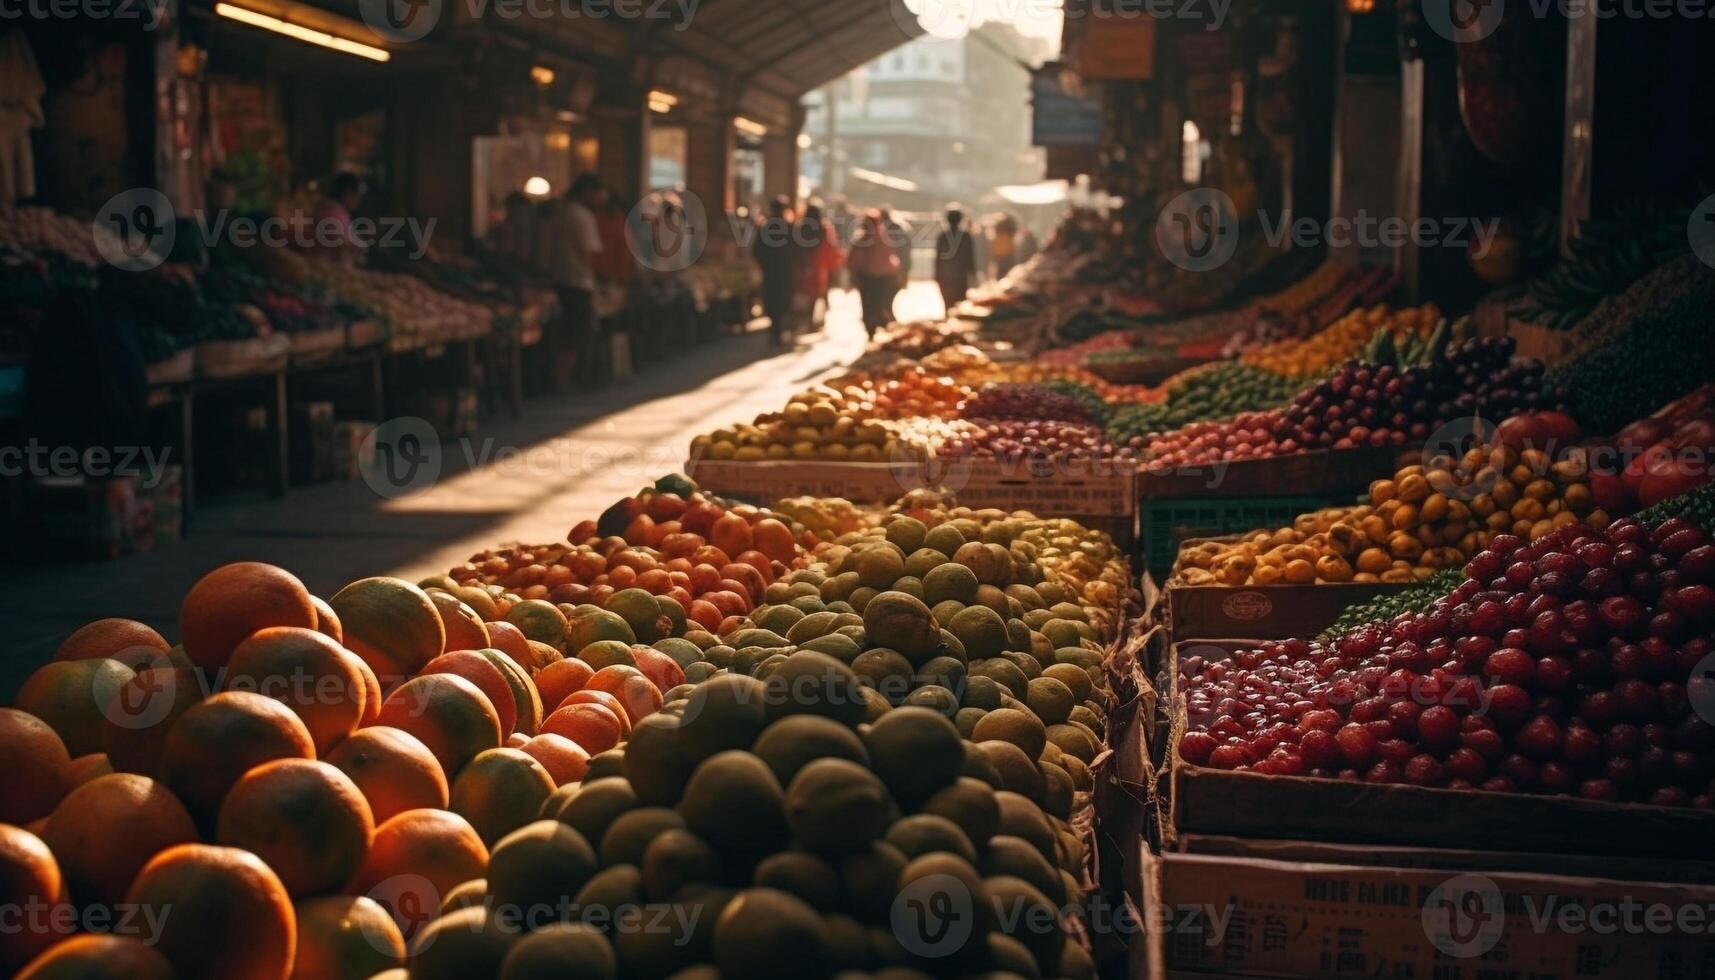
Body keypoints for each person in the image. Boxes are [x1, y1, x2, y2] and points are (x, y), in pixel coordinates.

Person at [545, 175, 606, 387]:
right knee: (576, 333)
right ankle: (564, 378)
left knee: (568, 331)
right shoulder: (582, 217)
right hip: (578, 281)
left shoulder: (561, 212)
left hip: (560, 278)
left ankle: (561, 377)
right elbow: (589, 255)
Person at [752, 196, 798, 346]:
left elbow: (756, 251)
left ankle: (776, 330)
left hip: (771, 271)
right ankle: (784, 329)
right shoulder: (790, 228)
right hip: (787, 271)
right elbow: (799, 251)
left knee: (773, 301)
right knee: (785, 300)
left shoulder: (765, 228)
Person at [848, 210, 901, 337]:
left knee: (870, 307)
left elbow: (854, 260)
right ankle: (883, 331)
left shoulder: (863, 240)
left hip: (868, 279)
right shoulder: (883, 238)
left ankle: (874, 332)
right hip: (883, 278)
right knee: (880, 306)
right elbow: (892, 259)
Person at [794, 202, 844, 329]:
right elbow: (831, 249)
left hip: (802, 266)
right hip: (819, 267)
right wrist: (834, 266)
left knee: (804, 293)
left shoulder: (799, 228)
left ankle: (805, 318)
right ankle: (813, 319)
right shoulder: (825, 228)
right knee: (817, 295)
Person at [308, 172, 367, 265]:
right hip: (328, 269)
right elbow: (342, 242)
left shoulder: (336, 211)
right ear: (347, 193)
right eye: (357, 196)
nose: (358, 201)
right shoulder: (330, 212)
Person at [933, 206, 978, 315]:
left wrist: (936, 275)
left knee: (948, 306)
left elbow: (937, 259)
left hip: (945, 278)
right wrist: (973, 275)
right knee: (960, 307)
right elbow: (970, 258)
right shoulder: (966, 236)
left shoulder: (942, 236)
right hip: (960, 278)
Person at [989, 212, 1019, 280]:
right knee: (1009, 276)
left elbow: (994, 246)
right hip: (1008, 255)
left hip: (1001, 256)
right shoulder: (1010, 231)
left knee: (1001, 276)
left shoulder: (997, 232)